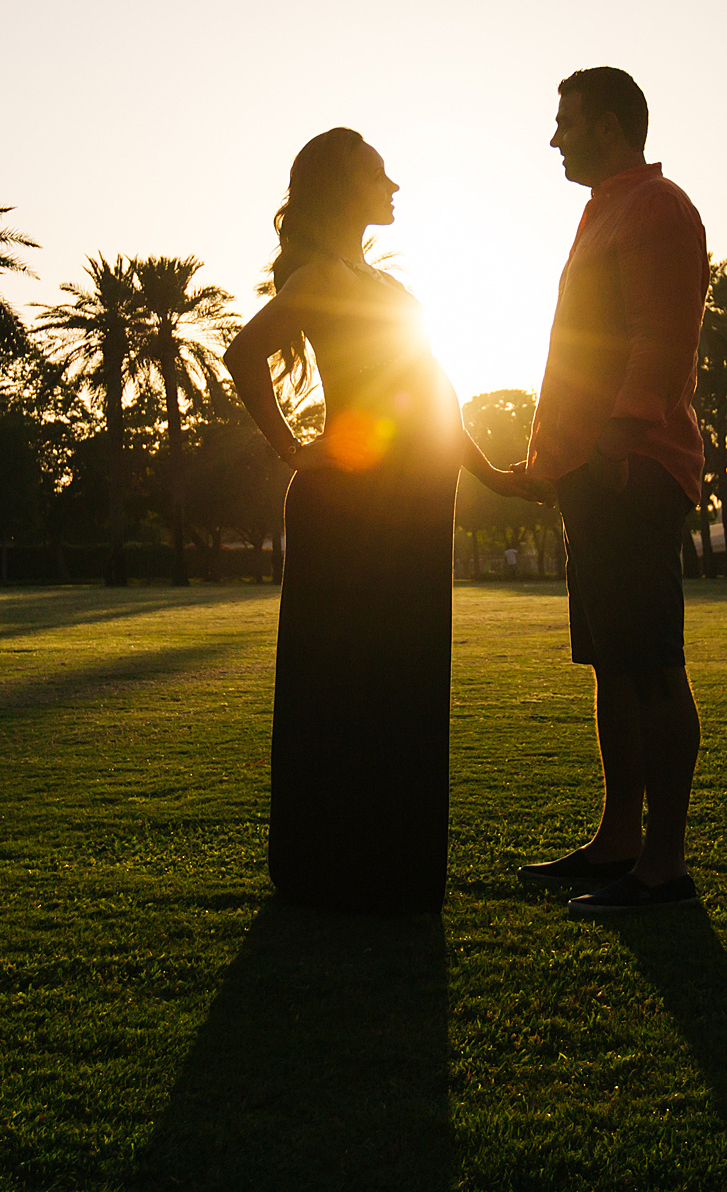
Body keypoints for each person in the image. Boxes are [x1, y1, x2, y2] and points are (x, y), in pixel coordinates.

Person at [224, 128, 528, 913]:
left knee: (406, 678)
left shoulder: (384, 284)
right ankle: (330, 866)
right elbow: (244, 353)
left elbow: (434, 384)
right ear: (342, 188)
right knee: (347, 683)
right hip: (353, 509)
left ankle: (396, 863)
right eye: (378, 173)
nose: (395, 185)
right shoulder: (324, 274)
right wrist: (294, 449)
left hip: (416, 505)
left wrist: (491, 471)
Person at [503, 67, 711, 917]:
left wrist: (622, 437)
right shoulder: (606, 211)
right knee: (612, 666)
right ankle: (620, 840)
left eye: (566, 121)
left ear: (611, 126)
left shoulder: (657, 208)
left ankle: (663, 869)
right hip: (591, 470)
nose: (554, 137)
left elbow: (663, 330)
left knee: (652, 665)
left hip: (632, 466)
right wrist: (553, 459)